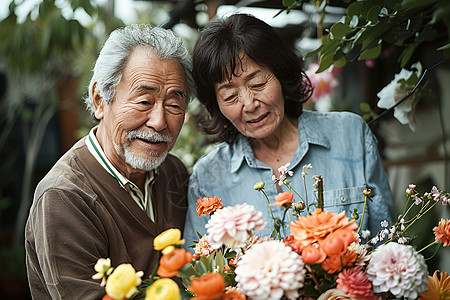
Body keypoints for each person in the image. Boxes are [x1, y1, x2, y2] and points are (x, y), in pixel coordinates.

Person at [183, 13, 395, 247]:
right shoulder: (208, 176)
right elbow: (201, 270)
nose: (250, 104)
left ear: (282, 75)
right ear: (216, 105)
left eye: (258, 84)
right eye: (230, 96)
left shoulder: (350, 134)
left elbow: (387, 244)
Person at [25, 24, 193, 299]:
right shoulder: (64, 196)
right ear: (100, 99)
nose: (159, 121)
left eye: (174, 106)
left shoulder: (173, 170)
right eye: (143, 101)